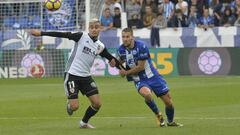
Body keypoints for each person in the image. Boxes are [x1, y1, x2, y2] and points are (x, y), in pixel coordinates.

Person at [31, 19, 123, 129]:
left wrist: (122, 69)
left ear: (100, 29)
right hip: (72, 74)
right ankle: (70, 104)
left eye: (96, 27)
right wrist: (41, 33)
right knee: (75, 107)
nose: (94, 29)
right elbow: (62, 34)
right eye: (92, 27)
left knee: (97, 104)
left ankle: (84, 123)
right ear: (88, 28)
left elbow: (110, 58)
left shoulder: (100, 46)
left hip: (86, 77)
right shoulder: (81, 36)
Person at [116, 28, 183, 127]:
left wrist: (126, 72)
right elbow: (119, 62)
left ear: (132, 37)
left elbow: (140, 67)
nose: (125, 39)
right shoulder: (121, 50)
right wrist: (119, 68)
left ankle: (170, 122)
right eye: (123, 37)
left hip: (153, 76)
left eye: (127, 37)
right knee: (147, 94)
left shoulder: (141, 46)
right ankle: (158, 115)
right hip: (139, 79)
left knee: (168, 102)